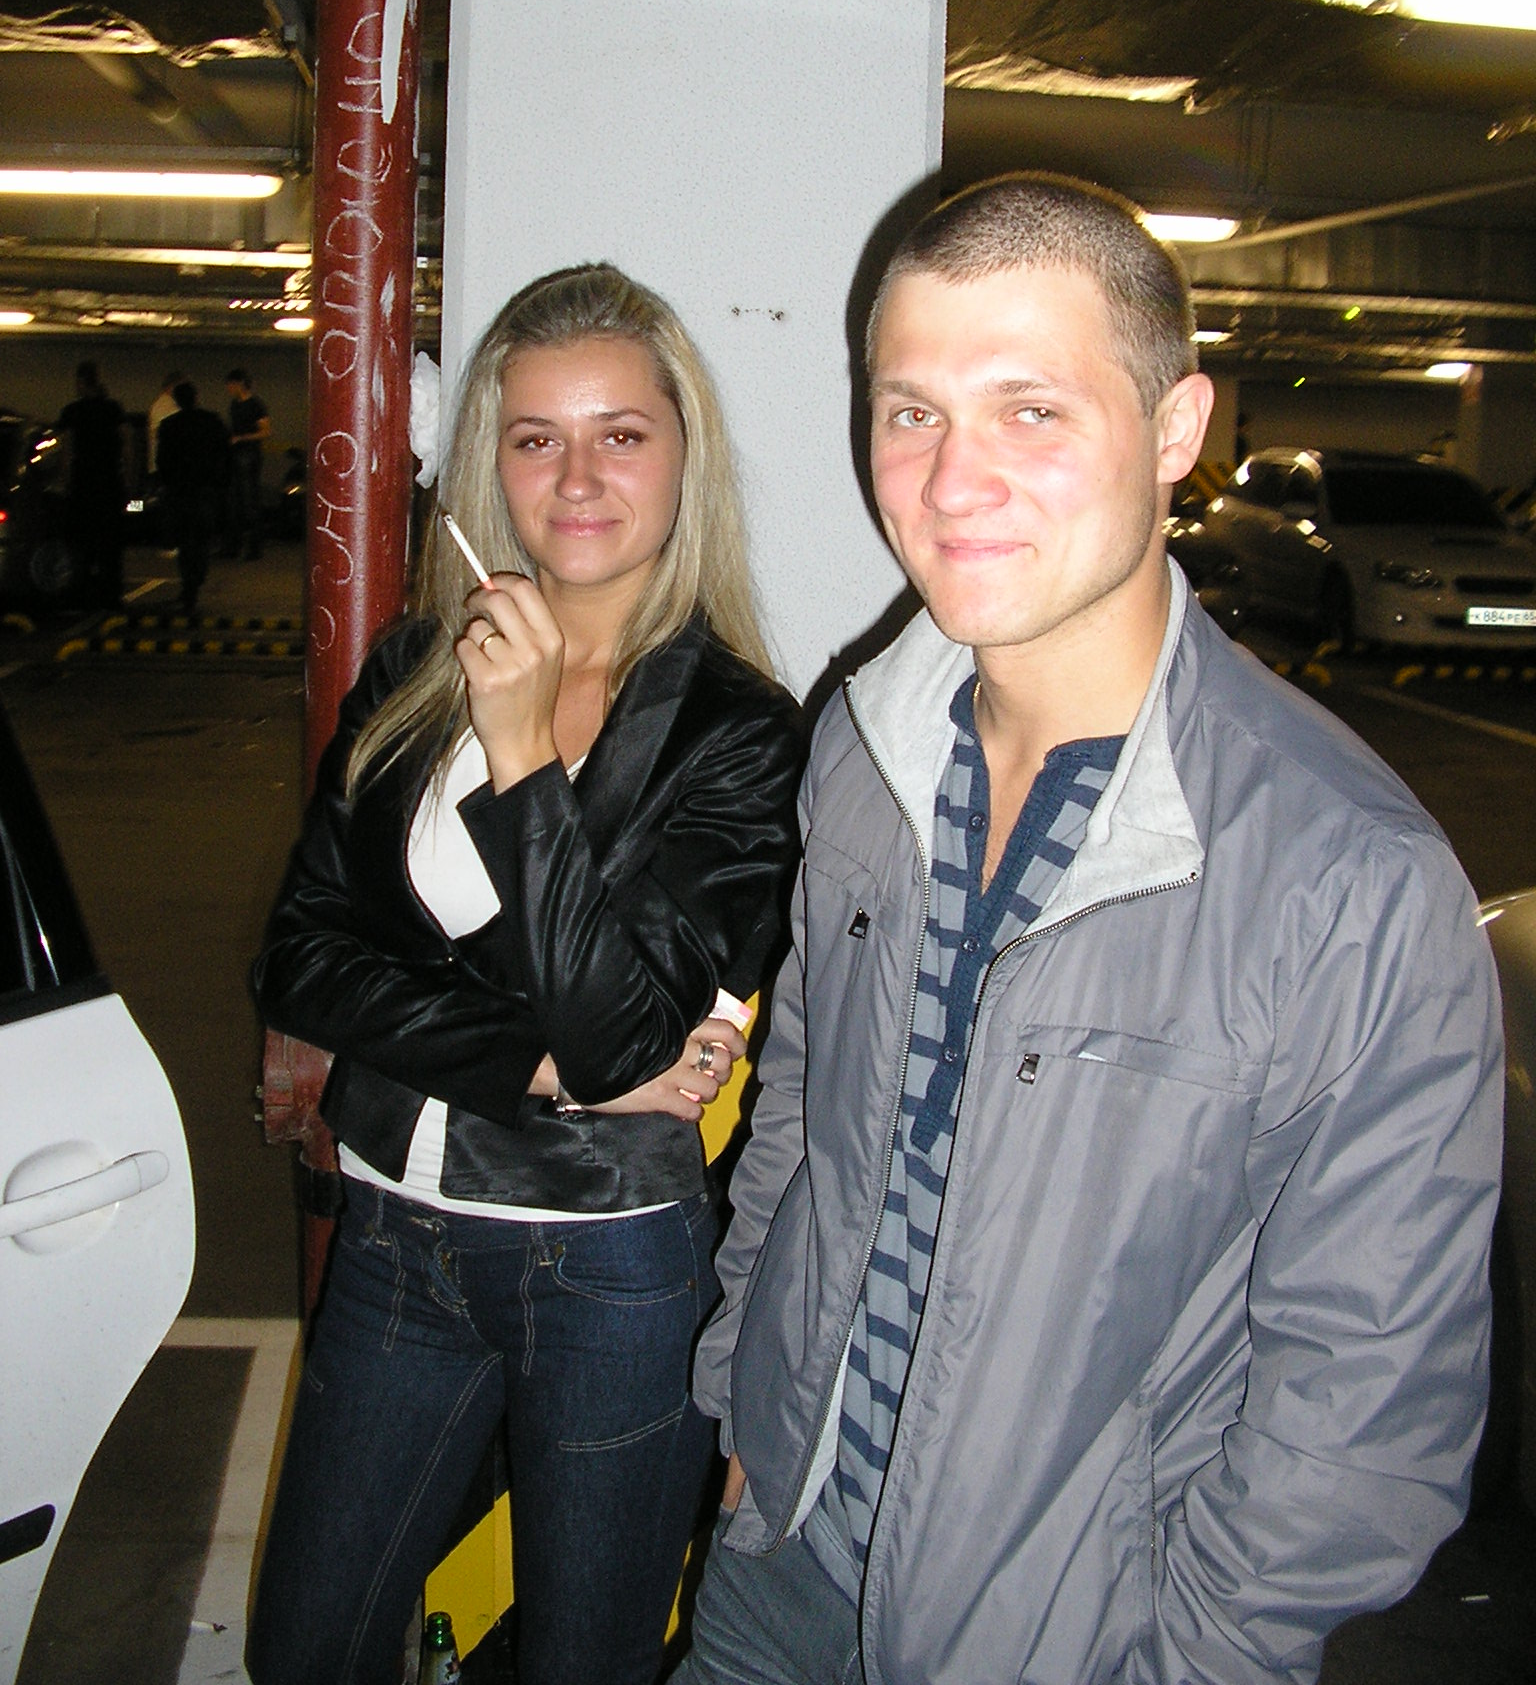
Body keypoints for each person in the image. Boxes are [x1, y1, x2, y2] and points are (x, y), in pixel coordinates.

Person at [677, 175, 1504, 1685]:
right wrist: (750, 1398)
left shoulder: (1350, 880)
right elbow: (804, 1110)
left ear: (1177, 430)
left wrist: (1196, 1656)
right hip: (777, 1559)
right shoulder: (864, 746)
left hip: (1065, 1640)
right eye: (911, 412)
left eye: (1032, 411)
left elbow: (1368, 1392)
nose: (951, 481)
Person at [246, 264, 803, 1685]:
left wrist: (521, 754)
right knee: (308, 1646)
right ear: (490, 461)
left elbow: (625, 1038)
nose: (578, 477)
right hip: (393, 1239)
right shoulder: (417, 667)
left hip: (606, 1266)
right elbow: (301, 956)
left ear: (684, 456)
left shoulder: (740, 733)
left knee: (581, 1660)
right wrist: (535, 1064)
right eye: (536, 436)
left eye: (622, 433)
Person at [56, 359, 126, 607]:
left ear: (81, 382)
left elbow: (67, 450)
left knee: (81, 542)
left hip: (82, 484)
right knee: (110, 543)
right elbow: (126, 445)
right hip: (109, 483)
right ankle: (111, 593)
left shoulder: (72, 412)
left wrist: (65, 482)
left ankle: (82, 590)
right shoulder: (113, 409)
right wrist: (127, 481)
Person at [155, 380, 229, 612]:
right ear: (196, 397)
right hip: (205, 489)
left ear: (176, 401)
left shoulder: (169, 426)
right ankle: (196, 579)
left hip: (179, 490)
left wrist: (165, 483)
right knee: (201, 538)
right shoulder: (212, 421)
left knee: (184, 539)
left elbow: (162, 460)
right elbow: (224, 453)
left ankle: (189, 584)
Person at [224, 366, 270, 559]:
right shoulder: (235, 404)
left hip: (249, 454)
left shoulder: (255, 405)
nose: (228, 389)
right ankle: (235, 545)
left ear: (239, 384)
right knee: (236, 500)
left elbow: (265, 431)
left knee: (249, 500)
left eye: (231, 385)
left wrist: (242, 438)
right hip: (238, 454)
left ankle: (252, 547)